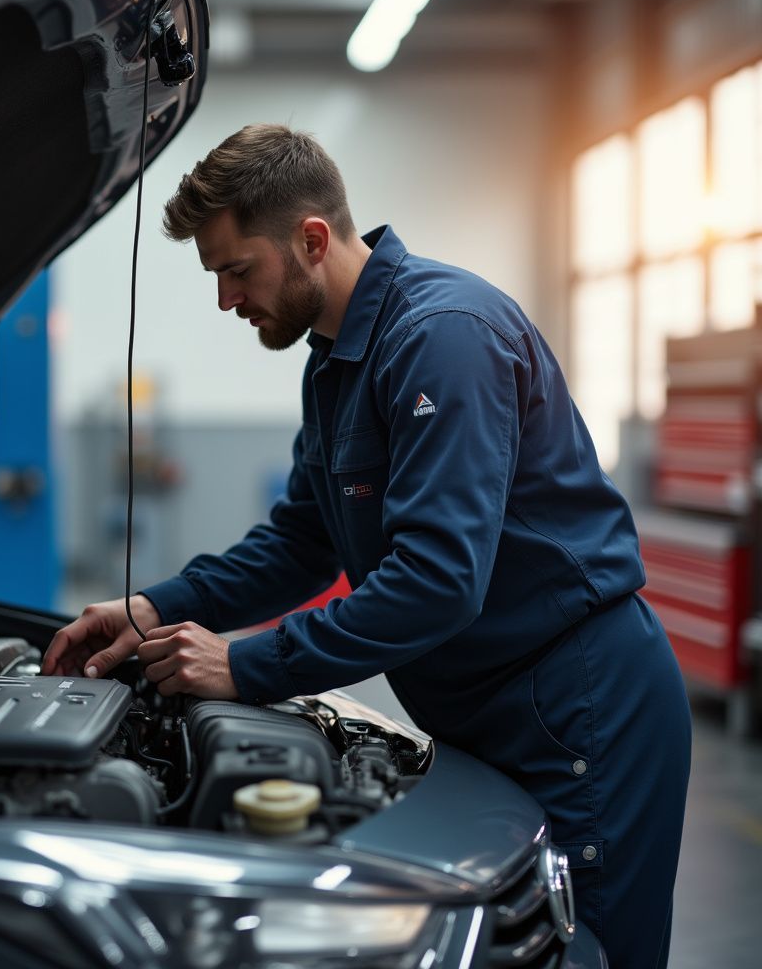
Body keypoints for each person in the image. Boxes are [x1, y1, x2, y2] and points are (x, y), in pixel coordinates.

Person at [42, 124, 691, 969]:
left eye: (238, 270)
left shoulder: (443, 337)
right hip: (488, 706)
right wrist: (152, 607)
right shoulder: (334, 362)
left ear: (312, 240)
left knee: (586, 954)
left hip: (580, 709)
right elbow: (302, 542)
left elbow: (437, 582)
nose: (226, 300)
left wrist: (246, 665)